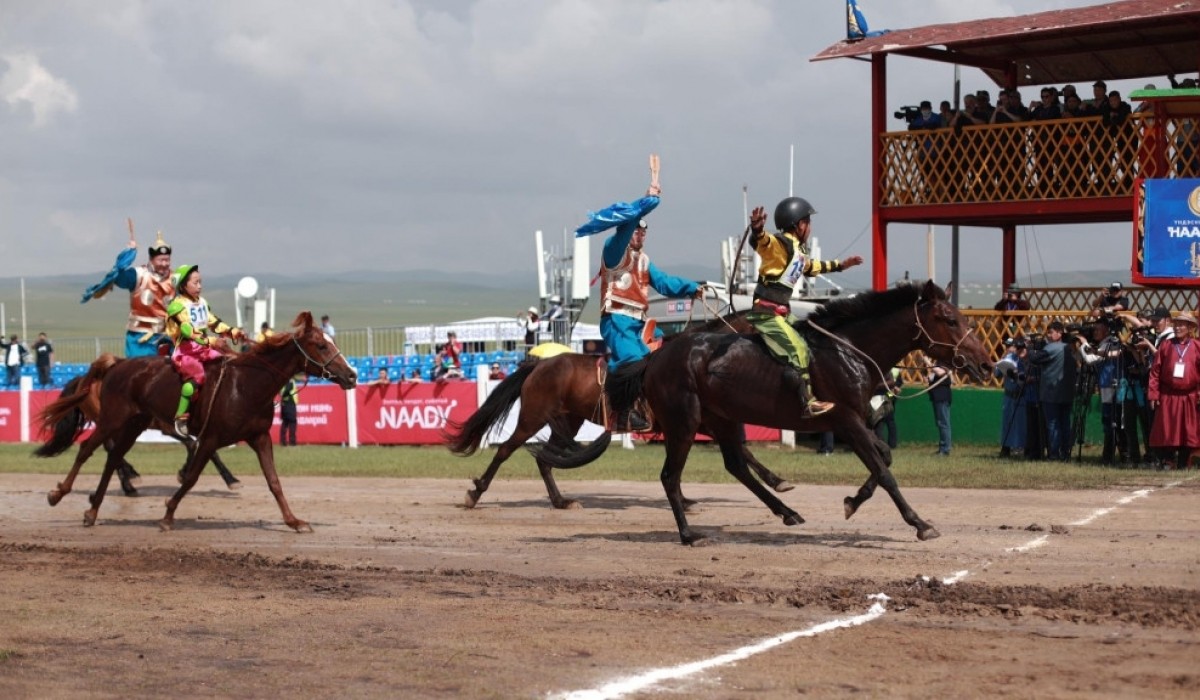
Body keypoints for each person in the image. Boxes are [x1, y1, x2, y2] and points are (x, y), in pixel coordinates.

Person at [574, 153, 702, 431]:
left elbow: (666, 283)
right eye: (636, 230)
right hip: (617, 322)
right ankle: (622, 412)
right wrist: (644, 204)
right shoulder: (613, 250)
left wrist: (695, 288)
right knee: (634, 361)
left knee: (667, 358)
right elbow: (628, 225)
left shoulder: (644, 261)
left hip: (641, 325)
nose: (640, 234)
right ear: (627, 230)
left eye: (644, 231)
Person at [746, 196, 863, 417]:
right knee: (798, 350)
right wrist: (758, 230)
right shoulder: (780, 244)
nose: (810, 227)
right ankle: (806, 403)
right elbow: (764, 243)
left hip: (781, 312)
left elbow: (811, 266)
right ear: (798, 224)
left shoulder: (798, 250)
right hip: (766, 314)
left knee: (809, 339)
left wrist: (841, 265)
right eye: (808, 222)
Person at [166, 264, 244, 437]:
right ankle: (181, 417)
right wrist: (211, 341)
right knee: (198, 375)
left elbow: (214, 323)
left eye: (200, 282)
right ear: (183, 285)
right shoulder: (176, 306)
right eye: (195, 283)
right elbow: (188, 331)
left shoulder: (202, 303)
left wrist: (233, 332)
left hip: (204, 349)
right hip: (186, 352)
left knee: (228, 362)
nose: (200, 286)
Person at [81, 228, 175, 358]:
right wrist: (128, 254)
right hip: (140, 338)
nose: (164, 264)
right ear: (151, 259)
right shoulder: (138, 275)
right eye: (161, 260)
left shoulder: (176, 279)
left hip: (167, 337)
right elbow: (118, 276)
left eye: (167, 260)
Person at [1148, 312, 1200, 470]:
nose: (1178, 327)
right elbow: (1155, 372)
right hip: (1168, 395)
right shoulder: (1166, 345)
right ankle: (1168, 460)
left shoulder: (1197, 346)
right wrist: (1153, 394)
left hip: (1190, 395)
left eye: (1182, 324)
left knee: (1188, 430)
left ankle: (1184, 461)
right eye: (1176, 324)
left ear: (1190, 327)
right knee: (1167, 428)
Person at [1030, 321, 1078, 461]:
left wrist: (1031, 347)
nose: (1049, 336)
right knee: (1065, 423)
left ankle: (1054, 453)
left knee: (1052, 423)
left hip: (1051, 392)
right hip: (1067, 392)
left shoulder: (1052, 348)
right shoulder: (1070, 348)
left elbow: (1034, 359)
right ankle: (1066, 452)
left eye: (1051, 332)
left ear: (1059, 333)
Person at [996, 338, 1029, 458]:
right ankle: (1006, 448)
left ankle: (1020, 448)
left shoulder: (1026, 359)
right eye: (1009, 346)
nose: (1010, 349)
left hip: (1021, 396)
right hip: (1009, 396)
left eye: (1012, 346)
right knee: (1007, 423)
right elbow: (997, 373)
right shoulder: (1009, 358)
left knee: (1021, 424)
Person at [928, 361, 953, 456]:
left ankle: (945, 449)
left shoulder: (945, 362)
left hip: (942, 396)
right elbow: (933, 376)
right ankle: (943, 447)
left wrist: (927, 361)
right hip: (937, 396)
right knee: (941, 423)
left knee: (943, 423)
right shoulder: (937, 363)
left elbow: (940, 372)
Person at [279, 378, 298, 447]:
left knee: (285, 423)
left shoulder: (282, 381)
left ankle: (282, 441)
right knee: (292, 422)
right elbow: (286, 391)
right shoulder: (290, 381)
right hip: (290, 404)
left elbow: (282, 392)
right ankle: (292, 442)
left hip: (284, 404)